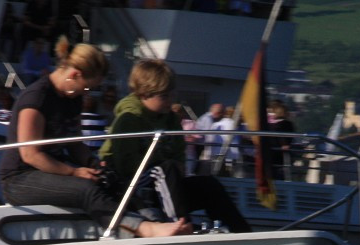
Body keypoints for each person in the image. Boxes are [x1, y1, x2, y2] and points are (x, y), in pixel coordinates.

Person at [0, 37, 190, 238]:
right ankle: (144, 229)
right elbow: (31, 155)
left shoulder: (73, 98)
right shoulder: (36, 98)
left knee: (110, 180)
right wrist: (73, 172)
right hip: (20, 179)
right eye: (88, 87)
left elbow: (74, 144)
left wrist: (94, 164)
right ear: (75, 75)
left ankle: (155, 220)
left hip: (52, 171)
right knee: (86, 189)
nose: (87, 93)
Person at [99, 59, 251, 233]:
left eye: (171, 95)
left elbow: (179, 157)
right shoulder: (128, 120)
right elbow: (126, 165)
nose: (170, 101)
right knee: (165, 170)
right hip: (132, 186)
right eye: (164, 96)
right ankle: (179, 225)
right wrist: (163, 163)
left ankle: (241, 233)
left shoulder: (171, 120)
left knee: (208, 184)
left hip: (165, 185)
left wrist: (173, 167)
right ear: (144, 93)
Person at [269, 99, 295, 180]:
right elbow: (285, 137)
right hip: (281, 154)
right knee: (282, 175)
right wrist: (285, 144)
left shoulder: (270, 125)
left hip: (270, 154)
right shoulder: (287, 124)